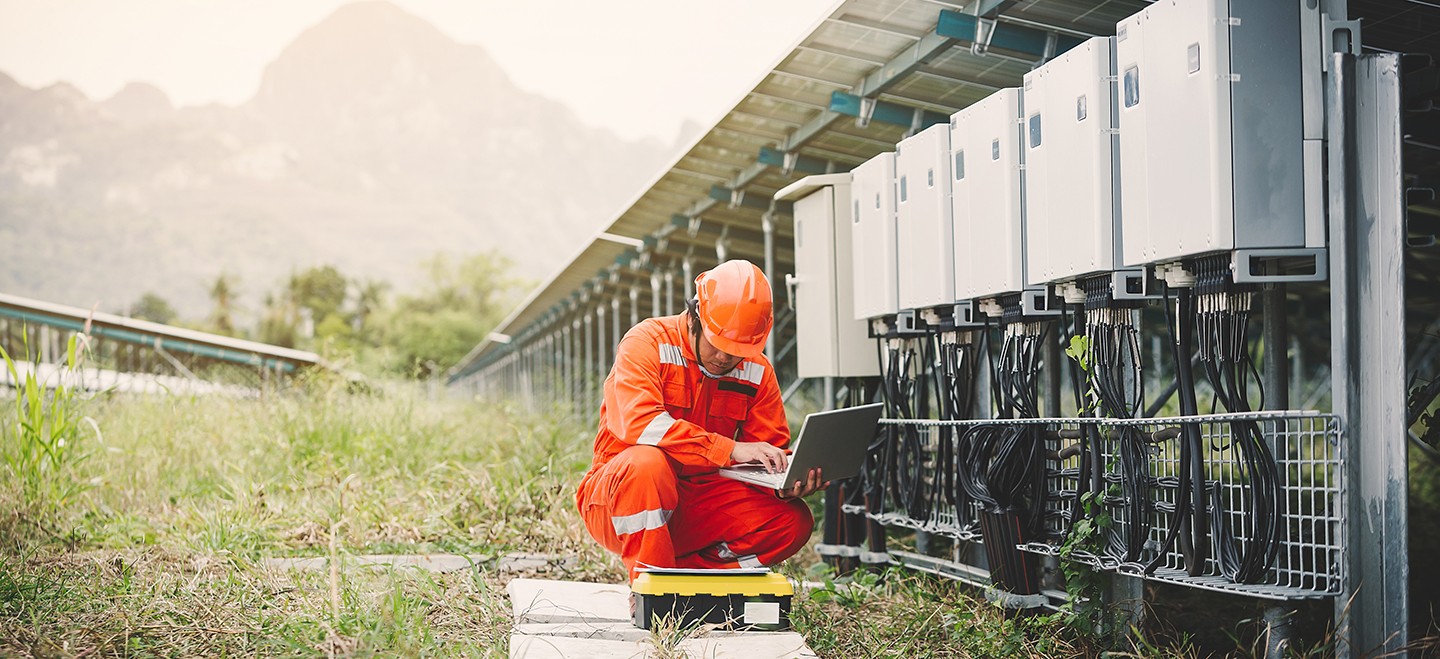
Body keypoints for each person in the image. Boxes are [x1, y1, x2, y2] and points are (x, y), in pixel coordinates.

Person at [575, 259, 826, 582]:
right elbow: (640, 423)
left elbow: (766, 455)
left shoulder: (758, 371)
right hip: (620, 498)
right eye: (718, 344)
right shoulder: (646, 342)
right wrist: (729, 449)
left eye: (738, 351)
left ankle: (697, 579)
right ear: (695, 316)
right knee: (647, 464)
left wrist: (785, 483)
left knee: (792, 522)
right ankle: (652, 587)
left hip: (696, 503)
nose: (725, 357)